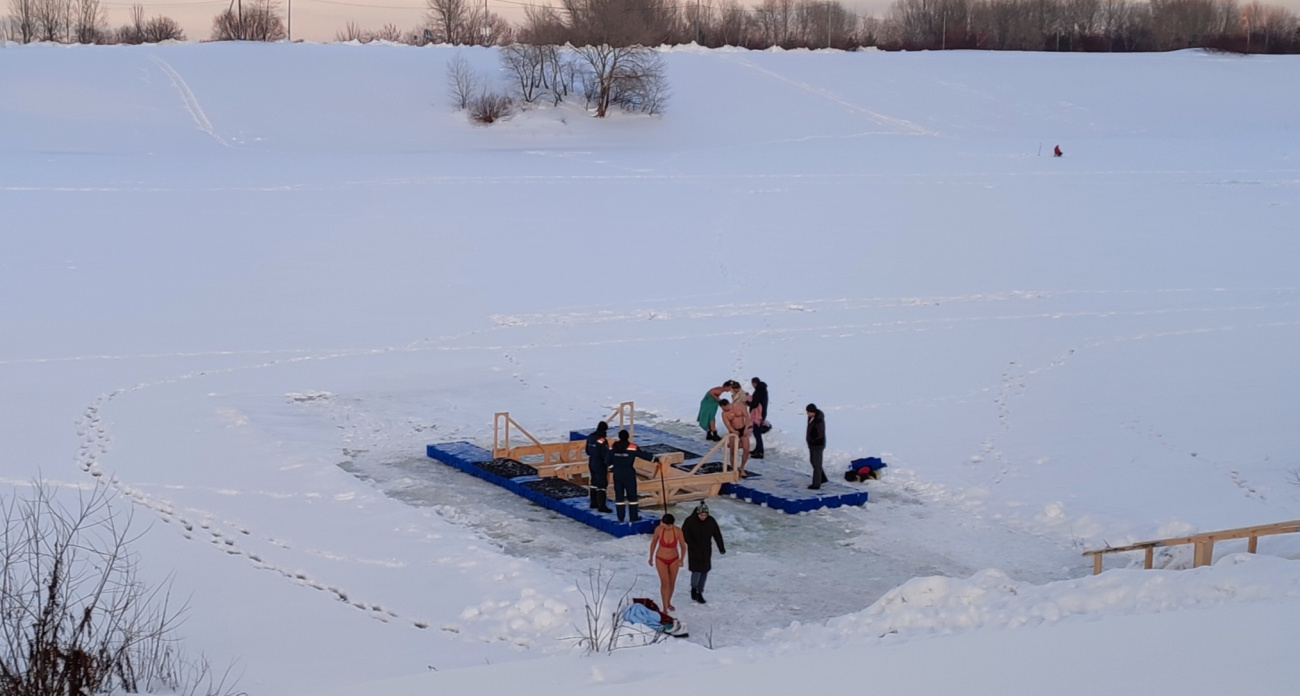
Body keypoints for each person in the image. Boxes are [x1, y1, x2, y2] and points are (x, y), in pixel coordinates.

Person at [681, 501, 726, 604]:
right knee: (696, 571)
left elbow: (717, 534)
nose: (703, 517)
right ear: (698, 513)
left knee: (704, 571)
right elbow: (684, 533)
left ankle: (700, 592)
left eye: (705, 515)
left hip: (706, 550)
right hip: (694, 550)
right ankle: (694, 588)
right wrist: (691, 544)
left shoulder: (711, 521)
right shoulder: (690, 521)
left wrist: (721, 547)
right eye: (701, 515)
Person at [608, 429, 654, 522]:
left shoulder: (613, 447)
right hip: (629, 474)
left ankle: (620, 518)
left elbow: (607, 460)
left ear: (619, 437)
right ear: (628, 437)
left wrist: (612, 468)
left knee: (619, 497)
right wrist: (655, 459)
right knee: (632, 497)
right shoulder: (632, 447)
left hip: (617, 474)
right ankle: (633, 517)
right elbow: (643, 455)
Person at [648, 513, 686, 612]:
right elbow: (653, 543)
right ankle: (664, 607)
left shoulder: (677, 531)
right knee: (665, 582)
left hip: (674, 559)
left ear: (671, 525)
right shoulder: (659, 529)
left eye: (666, 525)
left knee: (672, 582)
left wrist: (681, 559)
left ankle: (668, 602)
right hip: (661, 558)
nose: (664, 526)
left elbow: (683, 546)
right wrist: (651, 557)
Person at [722, 387, 751, 475]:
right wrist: (733, 431)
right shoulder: (724, 413)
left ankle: (742, 468)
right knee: (733, 451)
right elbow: (727, 425)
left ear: (728, 404)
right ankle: (734, 468)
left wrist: (746, 428)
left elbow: (747, 417)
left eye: (725, 408)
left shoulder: (739, 406)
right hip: (733, 431)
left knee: (746, 449)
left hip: (742, 428)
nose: (724, 410)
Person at [585, 421, 611, 512]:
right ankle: (602, 506)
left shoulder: (590, 437)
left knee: (594, 482)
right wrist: (610, 465)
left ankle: (593, 502)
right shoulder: (602, 440)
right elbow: (605, 454)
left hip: (592, 461)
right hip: (600, 463)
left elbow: (587, 451)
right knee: (602, 484)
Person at [805, 403, 827, 489]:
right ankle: (822, 478)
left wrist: (813, 440)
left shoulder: (819, 420)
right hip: (812, 444)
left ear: (813, 412)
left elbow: (820, 434)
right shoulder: (811, 418)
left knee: (817, 464)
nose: (807, 414)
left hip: (817, 445)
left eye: (809, 412)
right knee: (813, 461)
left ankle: (816, 483)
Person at [748, 377, 769, 459]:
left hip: (758, 415)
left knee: (757, 433)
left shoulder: (758, 391)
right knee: (757, 432)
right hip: (762, 414)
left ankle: (760, 452)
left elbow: (754, 403)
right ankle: (757, 449)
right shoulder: (763, 390)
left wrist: (747, 402)